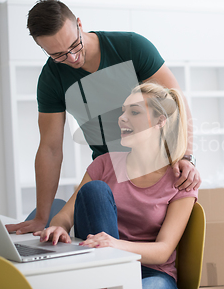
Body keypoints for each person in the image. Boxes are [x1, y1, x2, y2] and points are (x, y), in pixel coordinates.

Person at [6, 0, 200, 235]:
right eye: (58, 55)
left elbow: (176, 105)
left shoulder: (131, 47)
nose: (72, 59)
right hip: (107, 176)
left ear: (79, 24)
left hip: (154, 172)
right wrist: (41, 217)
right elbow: (50, 148)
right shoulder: (51, 78)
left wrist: (186, 157)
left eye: (74, 46)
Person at [34, 82, 197, 289]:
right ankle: (110, 280)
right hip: (101, 267)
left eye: (134, 111)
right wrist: (58, 226)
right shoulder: (104, 164)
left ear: (160, 121)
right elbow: (65, 215)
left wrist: (115, 245)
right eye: (123, 111)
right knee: (95, 189)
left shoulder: (181, 180)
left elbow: (163, 250)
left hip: (151, 271)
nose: (122, 118)